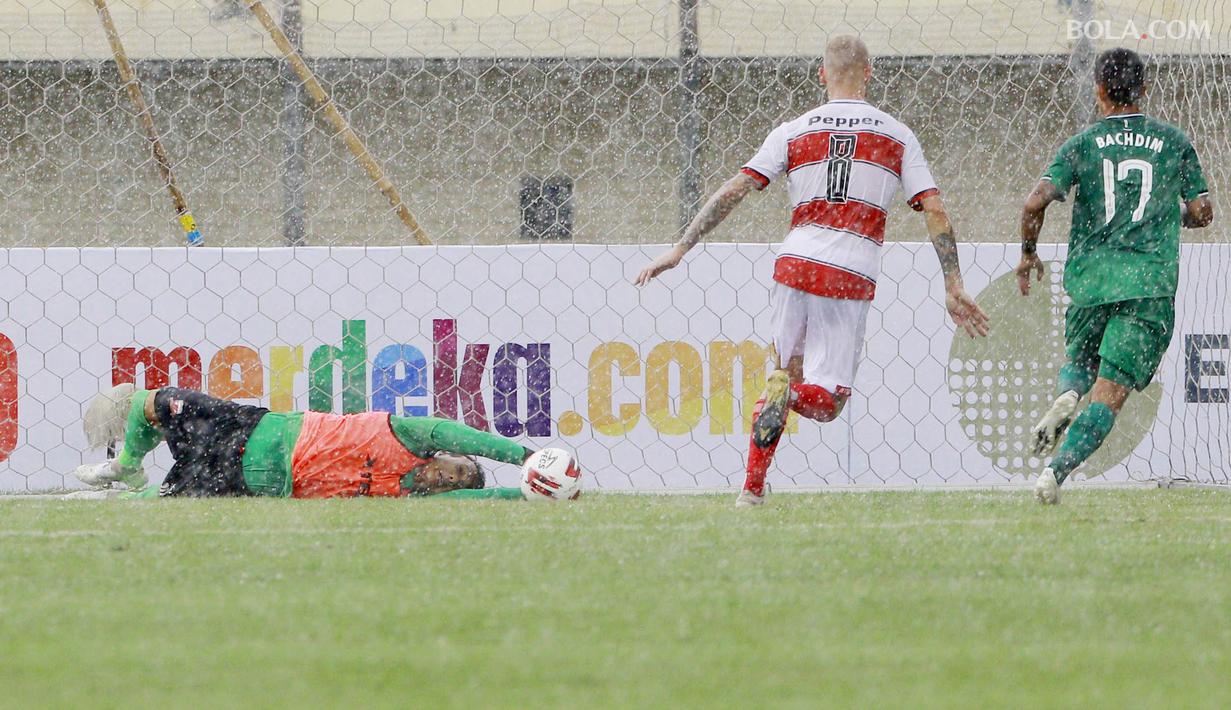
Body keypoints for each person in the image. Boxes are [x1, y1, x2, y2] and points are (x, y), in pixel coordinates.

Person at [635, 35, 989, 507]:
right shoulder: (896, 135)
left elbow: (736, 189)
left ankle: (752, 490)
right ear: (869, 72)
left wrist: (681, 247)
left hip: (794, 264)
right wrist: (953, 284)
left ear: (822, 74)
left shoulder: (792, 131)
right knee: (828, 401)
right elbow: (935, 209)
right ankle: (789, 402)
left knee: (783, 373)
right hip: (849, 272)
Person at [1018, 47, 1213, 504]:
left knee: (1082, 366)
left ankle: (1067, 394)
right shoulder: (1173, 142)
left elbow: (1034, 203)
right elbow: (1203, 212)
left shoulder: (1081, 145)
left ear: (1099, 92)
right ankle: (1055, 473)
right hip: (1145, 285)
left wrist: (1028, 254)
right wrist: (1174, 212)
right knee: (1109, 394)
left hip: (1092, 282)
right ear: (1144, 90)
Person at [76, 383, 536, 500]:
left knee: (158, 501)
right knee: (152, 403)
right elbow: (462, 433)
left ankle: (118, 493)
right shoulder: (410, 435)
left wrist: (532, 493)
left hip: (244, 480)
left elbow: (488, 497)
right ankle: (126, 465)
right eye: (457, 467)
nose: (449, 478)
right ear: (445, 454)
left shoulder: (408, 496)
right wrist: (528, 457)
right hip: (254, 428)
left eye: (456, 483)